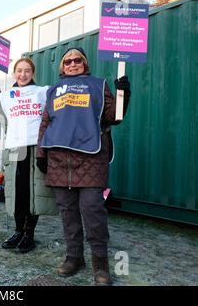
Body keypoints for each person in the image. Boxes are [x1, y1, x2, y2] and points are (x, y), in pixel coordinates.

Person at [36, 47, 131, 285]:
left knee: (93, 213)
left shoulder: (99, 85)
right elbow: (45, 122)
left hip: (91, 159)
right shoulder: (53, 90)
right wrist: (41, 152)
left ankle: (101, 265)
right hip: (59, 160)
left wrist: (122, 95)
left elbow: (113, 117)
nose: (72, 63)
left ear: (85, 63)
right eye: (68, 61)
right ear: (62, 67)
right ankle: (74, 257)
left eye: (78, 59)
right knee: (68, 214)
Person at [0, 57, 58, 253]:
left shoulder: (43, 91)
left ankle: (29, 234)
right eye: (19, 70)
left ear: (32, 73)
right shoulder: (6, 95)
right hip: (15, 148)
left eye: (27, 71)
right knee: (17, 192)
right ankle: (18, 231)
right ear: (14, 73)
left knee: (33, 192)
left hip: (35, 147)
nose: (22, 74)